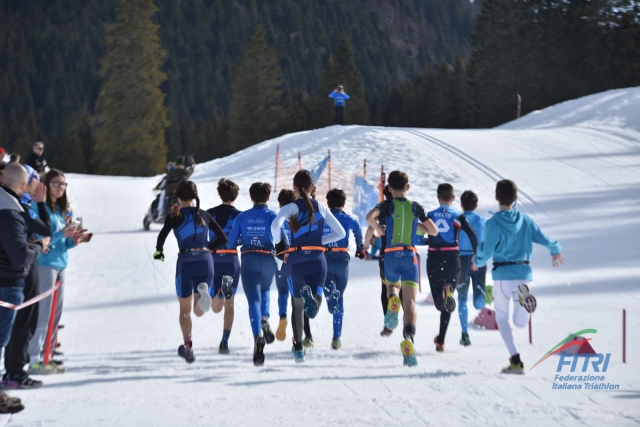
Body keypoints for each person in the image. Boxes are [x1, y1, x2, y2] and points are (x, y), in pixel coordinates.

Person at [475, 179, 564, 374]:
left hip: (502, 276)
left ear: (496, 197)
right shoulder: (527, 221)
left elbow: (486, 250)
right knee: (521, 322)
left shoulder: (492, 224)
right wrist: (555, 249)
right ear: (516, 198)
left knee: (503, 318)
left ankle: (516, 361)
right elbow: (543, 238)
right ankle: (524, 301)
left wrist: (477, 260)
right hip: (523, 274)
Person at [271, 170, 346, 363]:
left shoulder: (289, 208)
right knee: (316, 298)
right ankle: (315, 298)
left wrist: (280, 245)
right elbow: (341, 233)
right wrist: (321, 241)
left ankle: (298, 348)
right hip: (318, 259)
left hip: (296, 260)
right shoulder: (320, 206)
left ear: (294, 188)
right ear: (313, 188)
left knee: (297, 306)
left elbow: (274, 226)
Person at [366, 171, 438, 366]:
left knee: (391, 287)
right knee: (411, 303)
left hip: (390, 255)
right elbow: (434, 231)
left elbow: (369, 216)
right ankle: (409, 339)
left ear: (389, 188)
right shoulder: (415, 207)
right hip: (409, 256)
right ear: (408, 187)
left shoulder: (386, 205)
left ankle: (393, 300)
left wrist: (379, 228)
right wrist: (417, 226)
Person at [155, 180, 227, 364]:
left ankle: (188, 347)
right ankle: (207, 295)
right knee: (199, 310)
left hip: (185, 262)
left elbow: (161, 236)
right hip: (206, 260)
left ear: (177, 196)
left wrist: (159, 252)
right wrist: (207, 248)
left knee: (185, 310)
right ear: (195, 196)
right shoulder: (204, 215)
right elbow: (223, 237)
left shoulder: (174, 216)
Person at [28, 169, 90, 375]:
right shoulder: (41, 208)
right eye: (56, 183)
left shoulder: (57, 211)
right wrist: (61, 234)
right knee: (43, 313)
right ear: (46, 184)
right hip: (45, 264)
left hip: (60, 265)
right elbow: (39, 238)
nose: (60, 188)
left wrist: (72, 240)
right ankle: (35, 358)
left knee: (55, 314)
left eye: (63, 184)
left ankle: (48, 355)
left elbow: (61, 243)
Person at [0, 163, 46, 413]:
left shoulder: (9, 205)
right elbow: (19, 256)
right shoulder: (9, 212)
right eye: (31, 180)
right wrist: (38, 248)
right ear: (21, 185)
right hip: (7, 283)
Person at [225, 182, 284, 366]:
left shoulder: (243, 217)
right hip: (268, 259)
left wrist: (245, 238)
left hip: (249, 259)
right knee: (265, 288)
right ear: (268, 197)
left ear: (251, 197)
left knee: (253, 301)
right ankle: (266, 318)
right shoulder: (273, 216)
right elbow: (283, 240)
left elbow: (230, 243)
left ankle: (258, 335)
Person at [426, 183, 478, 353]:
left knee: (440, 303)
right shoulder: (457, 215)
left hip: (434, 257)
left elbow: (421, 235)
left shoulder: (430, 215)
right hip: (452, 259)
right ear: (453, 198)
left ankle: (443, 296)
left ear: (438, 198)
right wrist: (476, 255)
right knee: (448, 304)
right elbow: (471, 234)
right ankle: (441, 340)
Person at [322, 189, 365, 350]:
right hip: (342, 259)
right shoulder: (347, 219)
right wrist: (360, 248)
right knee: (339, 299)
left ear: (327, 203)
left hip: (325, 258)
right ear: (344, 204)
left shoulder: (323, 218)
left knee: (328, 289)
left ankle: (329, 294)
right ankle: (336, 337)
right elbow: (357, 229)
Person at [206, 179, 242, 355]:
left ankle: (219, 293)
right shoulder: (240, 216)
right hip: (232, 260)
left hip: (213, 260)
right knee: (230, 304)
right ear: (235, 195)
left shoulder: (209, 213)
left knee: (216, 307)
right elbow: (242, 239)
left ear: (220, 194)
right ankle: (224, 342)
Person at [457, 190, 487, 347]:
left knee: (461, 299)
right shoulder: (482, 220)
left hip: (461, 261)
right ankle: (484, 294)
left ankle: (465, 335)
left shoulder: (457, 219)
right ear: (476, 205)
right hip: (479, 259)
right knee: (478, 303)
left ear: (461, 205)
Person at [274, 189, 295, 341]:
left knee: (282, 292)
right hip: (297, 260)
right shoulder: (299, 220)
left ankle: (283, 316)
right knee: (297, 296)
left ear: (280, 204)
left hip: (281, 260)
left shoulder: (277, 219)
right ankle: (297, 330)